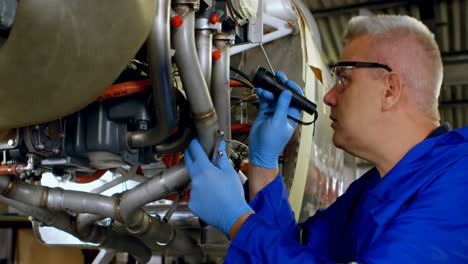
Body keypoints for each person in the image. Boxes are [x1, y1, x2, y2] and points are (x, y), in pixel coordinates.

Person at [184, 14, 468, 263]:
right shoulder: (374, 189)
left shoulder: (460, 181)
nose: (330, 97)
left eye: (344, 78)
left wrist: (238, 223)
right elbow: (296, 250)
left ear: (390, 89)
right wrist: (264, 165)